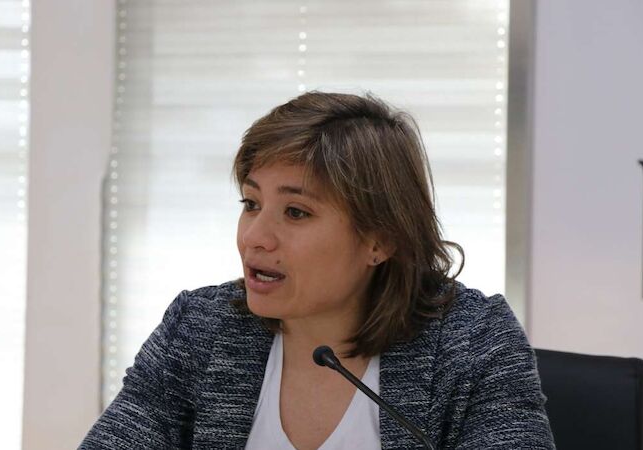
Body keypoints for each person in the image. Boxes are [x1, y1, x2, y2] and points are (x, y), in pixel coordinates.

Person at [79, 92, 554, 449]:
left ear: (380, 239)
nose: (254, 237)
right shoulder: (200, 328)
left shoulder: (472, 343)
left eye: (296, 212)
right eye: (251, 203)